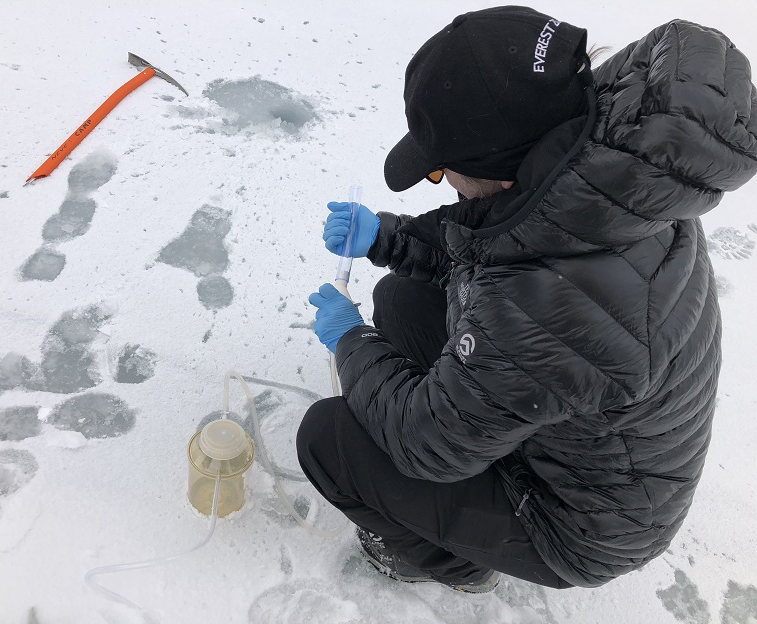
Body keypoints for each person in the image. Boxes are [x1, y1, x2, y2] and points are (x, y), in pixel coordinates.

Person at [298, 6, 757, 592]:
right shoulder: (607, 174)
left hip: (575, 523)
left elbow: (426, 442)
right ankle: (483, 443)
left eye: (443, 170)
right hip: (572, 427)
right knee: (403, 298)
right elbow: (498, 242)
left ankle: (456, 565)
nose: (445, 182)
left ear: (504, 173)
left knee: (330, 440)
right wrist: (388, 238)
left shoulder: (550, 296)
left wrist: (350, 341)